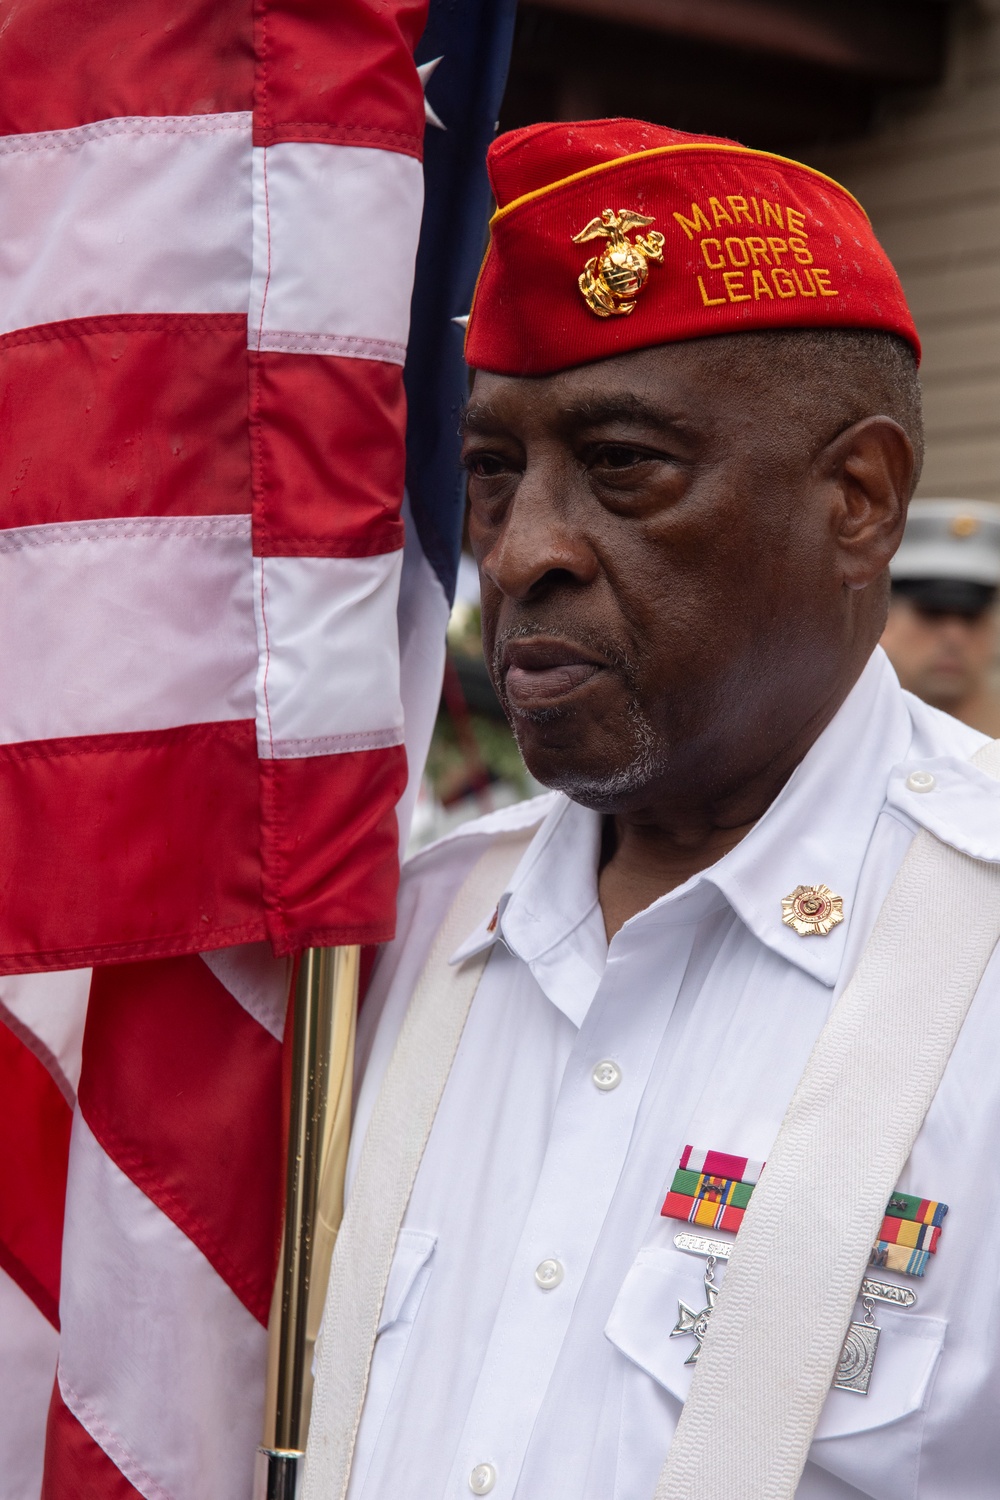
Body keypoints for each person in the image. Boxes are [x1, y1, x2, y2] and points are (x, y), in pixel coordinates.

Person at [316, 120, 1000, 1498]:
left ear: (859, 501)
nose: (520, 552)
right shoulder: (408, 937)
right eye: (492, 473)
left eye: (625, 466)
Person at [881, 497, 1000, 734]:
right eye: (931, 614)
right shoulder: (838, 739)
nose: (954, 636)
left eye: (971, 616)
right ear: (883, 619)